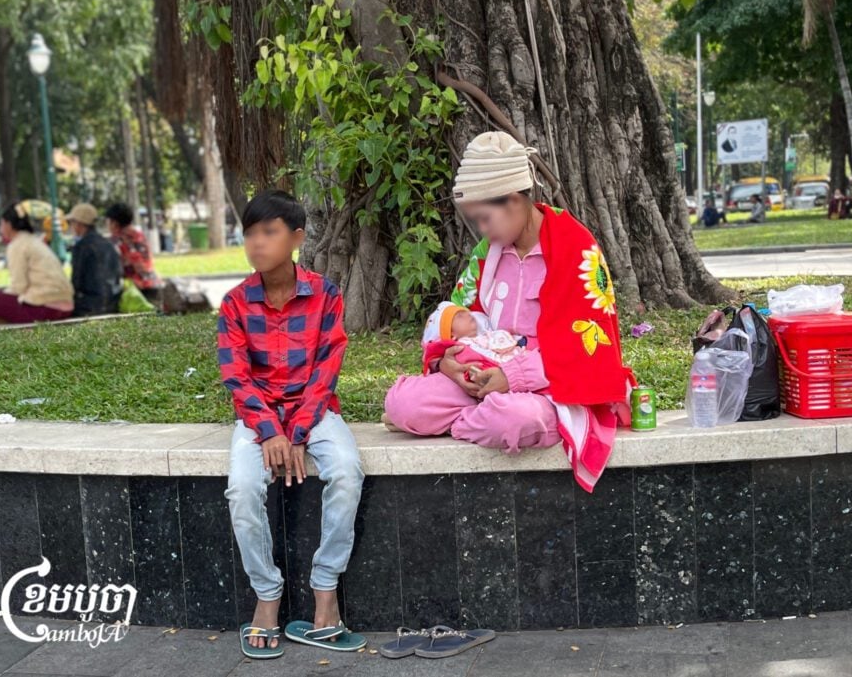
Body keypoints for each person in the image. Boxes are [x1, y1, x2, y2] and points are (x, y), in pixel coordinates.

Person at [383, 131, 636, 492]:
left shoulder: (575, 249)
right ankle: (473, 418)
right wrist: (447, 363)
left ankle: (465, 420)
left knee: (513, 419)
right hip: (482, 374)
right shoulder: (488, 252)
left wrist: (512, 379)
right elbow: (455, 318)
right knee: (402, 403)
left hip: (547, 387)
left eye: (485, 219)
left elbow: (586, 347)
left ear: (516, 201)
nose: (483, 230)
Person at [218, 190, 364, 659]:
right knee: (242, 489)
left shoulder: (325, 294)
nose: (256, 243)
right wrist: (272, 432)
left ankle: (325, 594)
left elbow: (327, 369)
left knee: (345, 471)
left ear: (296, 238)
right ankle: (267, 596)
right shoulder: (236, 303)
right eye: (249, 233)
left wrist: (297, 431)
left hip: (314, 411)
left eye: (269, 232)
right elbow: (236, 377)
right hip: (259, 417)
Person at [0, 202, 74, 324]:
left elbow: (18, 287)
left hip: (46, 308)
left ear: (8, 225)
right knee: (1, 296)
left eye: (1, 224)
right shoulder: (34, 241)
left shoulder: (17, 245)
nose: (0, 229)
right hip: (67, 306)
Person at [67, 203, 123, 317]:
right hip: (113, 304)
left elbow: (76, 282)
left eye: (71, 222)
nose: (71, 226)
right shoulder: (109, 244)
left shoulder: (81, 246)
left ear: (79, 223)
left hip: (88, 307)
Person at [105, 203, 162, 302]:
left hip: (135, 290)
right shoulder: (140, 235)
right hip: (153, 283)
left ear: (114, 223)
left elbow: (113, 270)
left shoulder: (115, 241)